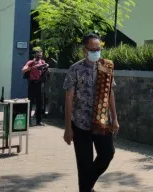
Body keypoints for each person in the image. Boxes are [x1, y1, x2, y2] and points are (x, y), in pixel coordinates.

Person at [63, 33, 119, 192]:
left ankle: (86, 187)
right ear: (84, 50)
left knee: (107, 153)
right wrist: (68, 128)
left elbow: (110, 94)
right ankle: (86, 189)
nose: (96, 52)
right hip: (80, 124)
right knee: (84, 163)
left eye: (98, 48)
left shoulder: (105, 66)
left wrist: (114, 118)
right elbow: (68, 99)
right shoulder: (75, 69)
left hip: (102, 121)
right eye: (92, 49)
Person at [21, 48, 48, 126]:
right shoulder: (31, 62)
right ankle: (28, 121)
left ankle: (38, 121)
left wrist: (46, 66)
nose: (39, 55)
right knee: (30, 102)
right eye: (38, 53)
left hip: (39, 84)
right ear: (35, 54)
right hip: (32, 84)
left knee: (39, 103)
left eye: (40, 54)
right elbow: (23, 70)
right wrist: (33, 67)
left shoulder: (42, 62)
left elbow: (45, 71)